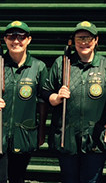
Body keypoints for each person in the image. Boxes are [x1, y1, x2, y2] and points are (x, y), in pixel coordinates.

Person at [42, 21, 106, 183]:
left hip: (95, 137)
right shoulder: (62, 63)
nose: (84, 42)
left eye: (88, 38)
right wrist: (57, 97)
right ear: (73, 41)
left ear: (96, 40)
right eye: (79, 38)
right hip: (67, 137)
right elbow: (46, 92)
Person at [0, 21, 48, 183]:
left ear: (29, 39)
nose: (16, 41)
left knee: (17, 178)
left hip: (24, 134)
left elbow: (42, 102)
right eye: (11, 36)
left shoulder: (38, 67)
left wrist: (41, 131)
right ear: (5, 40)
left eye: (21, 37)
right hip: (0, 133)